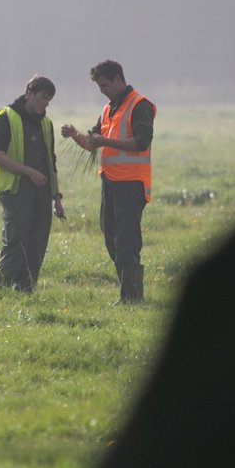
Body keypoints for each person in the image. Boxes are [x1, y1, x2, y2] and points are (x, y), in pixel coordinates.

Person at [61, 60, 155, 303]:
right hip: (110, 183)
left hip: (132, 184)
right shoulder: (108, 109)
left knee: (126, 241)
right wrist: (74, 135)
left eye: (104, 85)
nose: (101, 90)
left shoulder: (139, 105)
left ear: (117, 79)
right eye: (99, 86)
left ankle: (132, 297)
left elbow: (142, 142)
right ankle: (129, 294)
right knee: (111, 236)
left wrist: (105, 142)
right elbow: (93, 142)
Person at [0, 75, 65, 292]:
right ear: (29, 93)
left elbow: (51, 163)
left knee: (38, 243)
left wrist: (57, 197)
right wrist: (29, 172)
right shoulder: (7, 117)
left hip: (42, 193)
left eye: (49, 101)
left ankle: (25, 290)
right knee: (17, 242)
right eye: (42, 98)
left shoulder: (46, 123)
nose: (45, 105)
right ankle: (0, 289)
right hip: (16, 191)